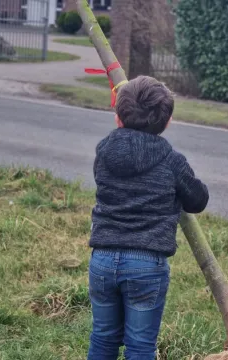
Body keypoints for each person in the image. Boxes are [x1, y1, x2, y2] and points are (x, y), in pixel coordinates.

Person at [87, 75, 209, 360]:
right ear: (166, 122)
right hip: (146, 264)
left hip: (102, 259)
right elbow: (198, 200)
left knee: (103, 338)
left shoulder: (103, 153)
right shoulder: (171, 160)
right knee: (140, 346)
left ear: (118, 116)